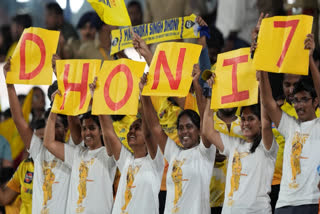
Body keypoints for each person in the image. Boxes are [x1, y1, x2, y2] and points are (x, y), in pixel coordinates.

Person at [133, 28, 216, 214]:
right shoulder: (174, 153)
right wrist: (144, 93)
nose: (184, 131)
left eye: (189, 127)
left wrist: (196, 83)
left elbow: (205, 120)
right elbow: (155, 127)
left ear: (199, 130)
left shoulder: (205, 152)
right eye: (181, 128)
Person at [259, 33, 320, 214]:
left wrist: (309, 58)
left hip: (311, 200)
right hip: (284, 203)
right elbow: (269, 103)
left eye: (304, 100)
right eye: (296, 101)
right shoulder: (290, 125)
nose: (298, 105)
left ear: (315, 102)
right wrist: (261, 66)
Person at [4, 59, 72, 214]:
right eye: (49, 124)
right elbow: (19, 120)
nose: (52, 130)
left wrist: (59, 74)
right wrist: (9, 84)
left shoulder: (73, 152)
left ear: (67, 129)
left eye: (57, 126)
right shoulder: (38, 151)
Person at [203, 75, 278, 213]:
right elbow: (207, 131)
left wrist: (261, 83)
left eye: (251, 119)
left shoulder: (267, 147)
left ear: (261, 122)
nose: (245, 123)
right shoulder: (234, 145)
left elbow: (267, 121)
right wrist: (210, 97)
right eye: (243, 119)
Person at [94, 76, 164, 213]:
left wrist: (143, 95)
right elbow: (108, 132)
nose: (132, 131)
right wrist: (97, 98)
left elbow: (149, 132)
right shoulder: (126, 160)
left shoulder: (156, 161)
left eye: (137, 128)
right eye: (131, 128)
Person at [43, 108, 116, 214]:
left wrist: (98, 103)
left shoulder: (109, 154)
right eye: (84, 128)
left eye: (92, 128)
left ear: (101, 131)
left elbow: (109, 132)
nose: (87, 133)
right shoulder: (77, 154)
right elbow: (48, 143)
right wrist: (54, 108)